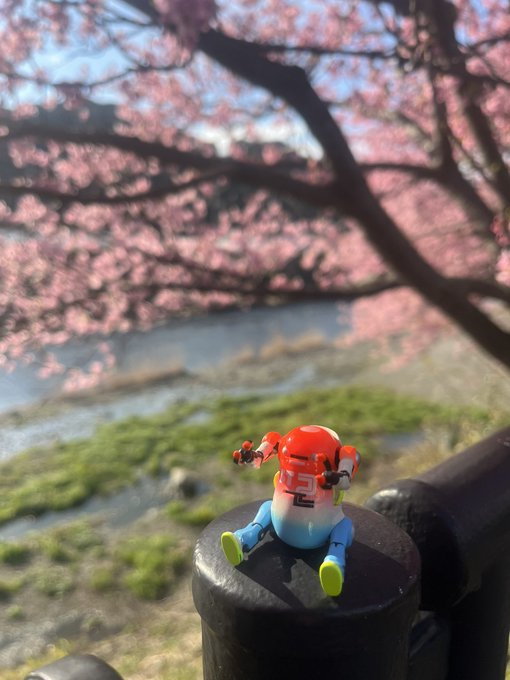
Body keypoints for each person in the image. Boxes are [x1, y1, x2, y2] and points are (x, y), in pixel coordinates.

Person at [221, 425, 360, 596]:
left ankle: (244, 537)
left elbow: (259, 457)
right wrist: (335, 477)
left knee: (268, 506)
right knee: (344, 525)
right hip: (319, 534)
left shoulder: (283, 445)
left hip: (282, 528)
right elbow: (345, 478)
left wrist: (250, 456)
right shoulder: (343, 453)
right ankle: (334, 559)